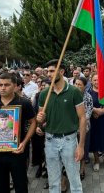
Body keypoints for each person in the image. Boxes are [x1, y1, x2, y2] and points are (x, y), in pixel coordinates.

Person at [0, 73, 36, 193]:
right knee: (0, 188)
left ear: (15, 86)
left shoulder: (23, 103)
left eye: (6, 85)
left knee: (21, 187)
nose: (3, 88)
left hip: (17, 152)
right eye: (0, 85)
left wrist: (24, 143)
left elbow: (33, 122)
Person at [36, 60, 86, 193]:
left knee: (75, 181)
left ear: (62, 72)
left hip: (69, 140)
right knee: (53, 183)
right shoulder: (44, 94)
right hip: (50, 140)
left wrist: (81, 146)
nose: (49, 74)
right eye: (47, 71)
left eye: (52, 71)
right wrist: (39, 121)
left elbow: (82, 118)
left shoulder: (74, 91)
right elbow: (41, 119)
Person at [74, 77, 93, 180]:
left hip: (84, 128)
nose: (77, 86)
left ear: (85, 86)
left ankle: (82, 169)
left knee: (83, 148)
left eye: (79, 84)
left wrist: (79, 119)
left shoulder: (88, 97)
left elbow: (88, 114)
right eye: (76, 84)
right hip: (71, 128)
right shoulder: (71, 96)